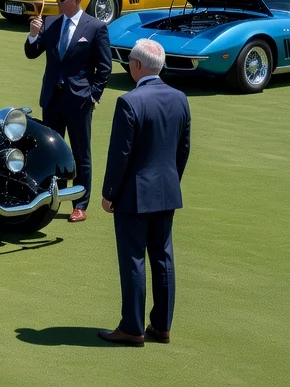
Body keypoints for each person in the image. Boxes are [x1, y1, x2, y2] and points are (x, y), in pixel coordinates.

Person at [96, 39, 191, 347]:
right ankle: (162, 326)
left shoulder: (129, 101)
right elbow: (183, 149)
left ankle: (133, 327)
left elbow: (119, 155)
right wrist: (172, 181)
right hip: (166, 192)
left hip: (134, 196)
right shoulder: (180, 99)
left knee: (134, 259)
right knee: (163, 259)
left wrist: (109, 193)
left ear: (137, 66)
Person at [25, 0, 111, 223]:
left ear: (76, 0)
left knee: (81, 153)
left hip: (79, 101)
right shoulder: (50, 23)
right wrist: (33, 35)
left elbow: (105, 68)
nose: (57, 2)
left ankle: (80, 204)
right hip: (52, 98)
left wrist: (92, 95)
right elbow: (33, 52)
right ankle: (54, 197)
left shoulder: (95, 27)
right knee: (52, 150)